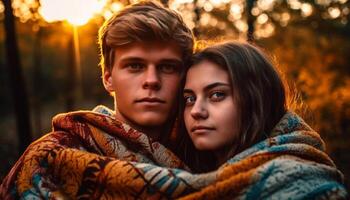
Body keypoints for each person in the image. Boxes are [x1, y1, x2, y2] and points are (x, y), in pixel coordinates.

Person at [0, 1, 194, 199]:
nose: (152, 80)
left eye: (168, 67)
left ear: (186, 78)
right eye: (135, 66)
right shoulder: (49, 158)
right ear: (108, 79)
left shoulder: (206, 152)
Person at [176, 41, 348, 198]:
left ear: (257, 99)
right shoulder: (178, 175)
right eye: (190, 99)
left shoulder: (306, 186)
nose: (196, 111)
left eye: (217, 95)